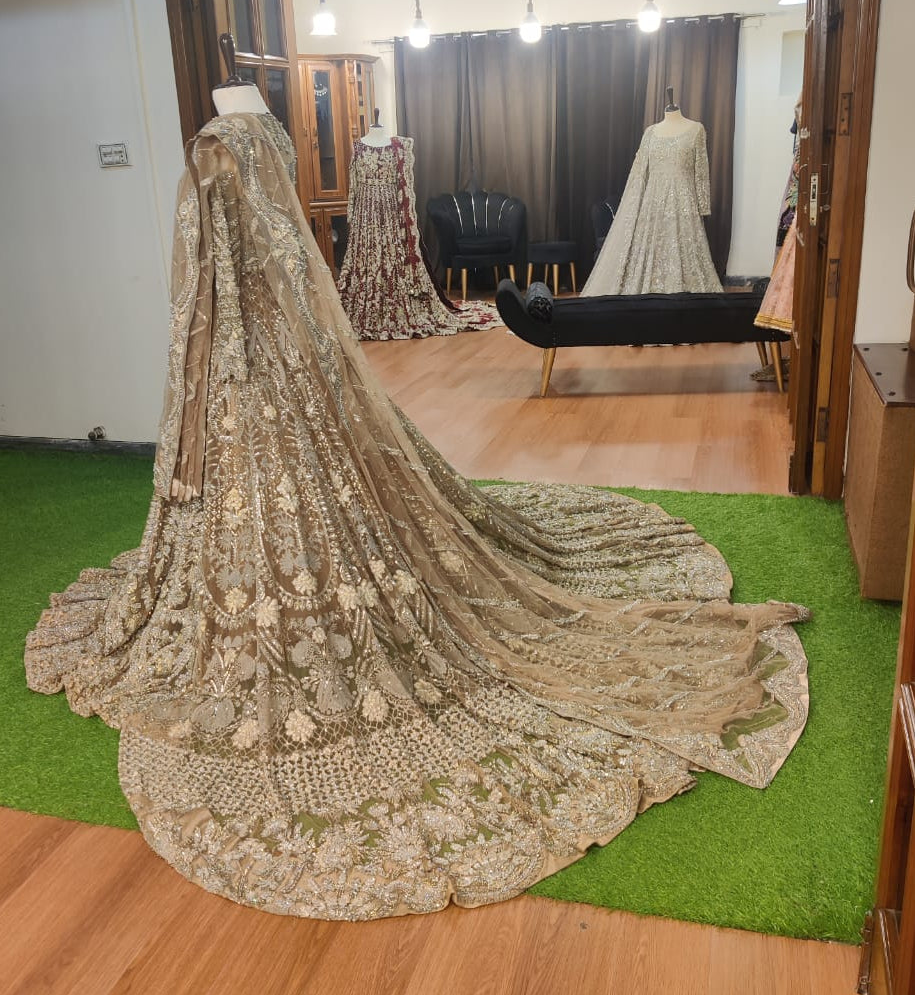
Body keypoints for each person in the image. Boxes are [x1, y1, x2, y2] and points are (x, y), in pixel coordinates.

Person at [25, 112, 809, 921]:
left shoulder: (224, 143)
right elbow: (233, 275)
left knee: (337, 509)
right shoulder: (246, 137)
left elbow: (218, 280)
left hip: (263, 360)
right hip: (259, 367)